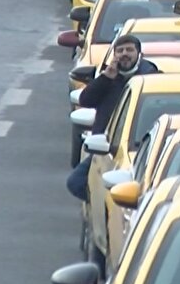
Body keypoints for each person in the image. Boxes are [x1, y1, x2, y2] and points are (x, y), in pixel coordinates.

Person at [65, 35, 160, 203]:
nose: (124, 54)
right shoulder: (109, 79)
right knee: (76, 182)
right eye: (120, 51)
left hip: (139, 148)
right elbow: (85, 100)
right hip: (108, 149)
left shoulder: (152, 79)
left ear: (139, 54)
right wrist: (105, 78)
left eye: (129, 50)